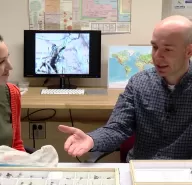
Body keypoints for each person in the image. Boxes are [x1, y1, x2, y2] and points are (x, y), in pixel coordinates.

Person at [58, 15, 192, 161]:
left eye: (167, 50)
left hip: (184, 173)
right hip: (140, 169)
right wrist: (92, 139)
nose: (157, 56)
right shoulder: (139, 83)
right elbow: (119, 127)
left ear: (188, 51)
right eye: (154, 47)